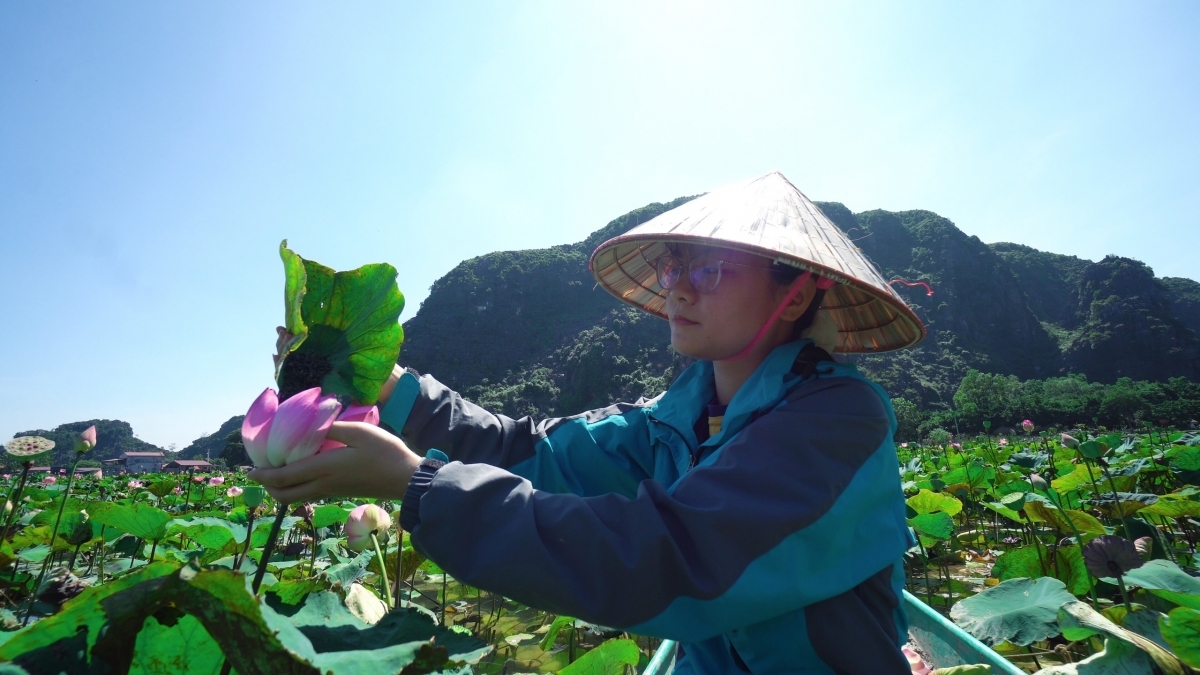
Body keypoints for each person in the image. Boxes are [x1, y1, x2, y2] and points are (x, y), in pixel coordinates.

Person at [251, 171, 928, 674]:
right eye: (675, 264)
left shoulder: (839, 422)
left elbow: (670, 558)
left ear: (799, 289)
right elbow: (523, 450)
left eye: (712, 268)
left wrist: (415, 486)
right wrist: (386, 384)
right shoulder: (673, 422)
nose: (679, 287)